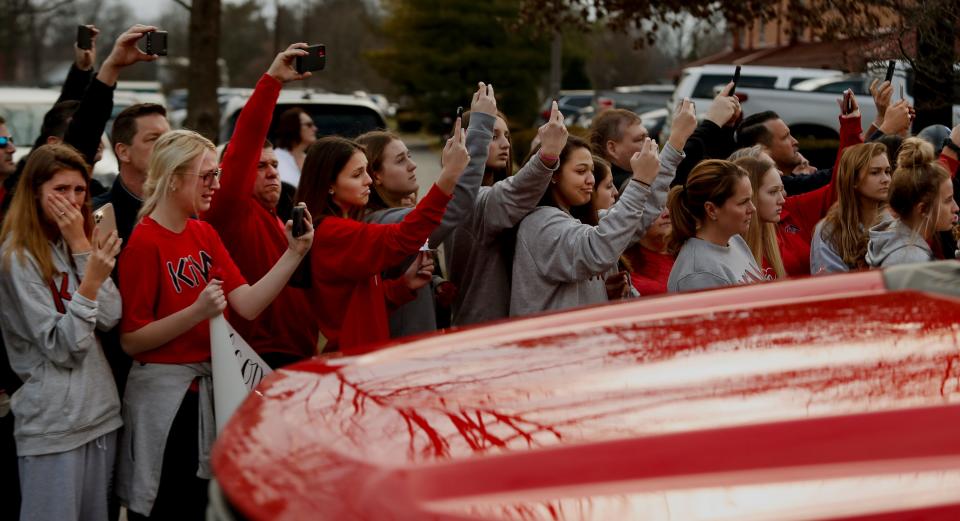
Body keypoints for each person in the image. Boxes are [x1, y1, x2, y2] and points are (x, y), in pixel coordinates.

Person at [115, 130, 313, 519]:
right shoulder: (143, 242)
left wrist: (294, 253)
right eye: (206, 175)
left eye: (217, 173)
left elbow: (249, 304)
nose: (216, 185)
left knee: (205, 505)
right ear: (173, 177)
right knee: (168, 505)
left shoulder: (204, 233)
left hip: (209, 393)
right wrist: (196, 312)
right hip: (165, 404)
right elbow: (132, 341)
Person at [0, 144, 122, 521]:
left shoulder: (76, 244)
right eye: (60, 190)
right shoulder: (16, 258)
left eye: (79, 190)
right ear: (35, 192)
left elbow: (113, 315)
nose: (71, 201)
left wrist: (83, 250)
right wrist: (89, 284)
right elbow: (63, 347)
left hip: (100, 415)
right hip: (53, 424)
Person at [295, 129, 473, 353]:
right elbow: (404, 236)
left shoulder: (342, 227)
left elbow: (357, 303)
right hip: (354, 359)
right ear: (329, 185)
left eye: (366, 171)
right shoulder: (334, 231)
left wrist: (402, 287)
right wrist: (449, 175)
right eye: (357, 174)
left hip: (361, 355)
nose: (369, 180)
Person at [202, 44, 320, 367]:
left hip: (299, 354)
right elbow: (244, 146)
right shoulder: (230, 211)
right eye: (260, 166)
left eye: (275, 165)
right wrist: (272, 82)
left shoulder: (283, 216)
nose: (271, 172)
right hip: (257, 360)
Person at [357, 82, 492, 338]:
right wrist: (482, 124)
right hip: (401, 358)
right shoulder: (383, 221)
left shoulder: (378, 216)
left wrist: (433, 285)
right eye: (400, 160)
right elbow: (456, 203)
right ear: (375, 176)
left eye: (409, 156)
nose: (413, 165)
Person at [510, 133, 669, 316]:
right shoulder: (541, 225)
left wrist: (601, 292)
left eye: (591, 171)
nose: (590, 180)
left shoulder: (570, 222)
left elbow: (638, 219)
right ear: (553, 174)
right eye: (580, 171)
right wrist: (640, 182)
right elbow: (598, 250)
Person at [445, 102, 567, 326]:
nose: (505, 144)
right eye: (493, 136)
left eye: (507, 136)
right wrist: (546, 156)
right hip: (483, 330)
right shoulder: (464, 202)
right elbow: (511, 195)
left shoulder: (494, 192)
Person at [667, 160, 764, 292]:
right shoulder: (699, 274)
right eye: (743, 202)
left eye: (750, 199)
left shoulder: (734, 239)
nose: (752, 209)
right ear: (711, 210)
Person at [866, 138, 958, 267]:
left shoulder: (902, 245)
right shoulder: (912, 261)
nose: (956, 208)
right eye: (948, 200)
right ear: (923, 209)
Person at [810, 142, 892, 274]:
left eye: (887, 171)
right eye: (875, 172)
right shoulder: (829, 231)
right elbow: (830, 286)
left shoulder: (895, 223)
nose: (886, 179)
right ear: (853, 179)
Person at [94, 103, 171, 243]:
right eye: (153, 138)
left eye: (169, 139)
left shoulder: (182, 211)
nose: (166, 146)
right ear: (123, 152)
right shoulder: (99, 215)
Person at [735, 156, 786, 278]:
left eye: (781, 190)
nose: (782, 200)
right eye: (773, 192)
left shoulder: (772, 243)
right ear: (750, 195)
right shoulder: (730, 248)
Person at [588, 108, 648, 190]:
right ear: (612, 148)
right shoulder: (624, 186)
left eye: (647, 138)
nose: (650, 144)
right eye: (640, 139)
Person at [621, 207, 673, 296]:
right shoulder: (624, 270)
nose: (667, 214)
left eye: (668, 205)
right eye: (656, 207)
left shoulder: (689, 253)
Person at [273, 107, 317, 187]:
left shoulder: (312, 160)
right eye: (309, 125)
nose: (315, 129)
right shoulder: (274, 159)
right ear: (293, 127)